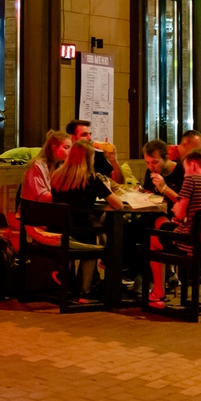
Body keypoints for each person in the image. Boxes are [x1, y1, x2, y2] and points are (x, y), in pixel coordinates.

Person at [146, 148, 201, 308]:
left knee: (152, 239)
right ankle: (171, 277)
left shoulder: (191, 180)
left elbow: (179, 214)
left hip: (191, 245)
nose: (185, 174)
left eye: (186, 169)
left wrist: (176, 209)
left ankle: (158, 292)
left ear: (192, 166)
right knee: (163, 224)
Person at [49, 140, 123, 299]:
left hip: (58, 230)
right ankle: (85, 290)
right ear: (90, 159)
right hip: (81, 232)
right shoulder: (90, 178)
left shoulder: (57, 176)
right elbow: (118, 205)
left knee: (95, 229)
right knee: (95, 240)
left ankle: (72, 281)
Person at [17, 130, 72, 206]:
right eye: (66, 147)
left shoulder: (60, 165)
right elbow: (41, 197)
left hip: (50, 208)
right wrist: (68, 196)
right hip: (33, 209)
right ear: (54, 148)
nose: (70, 151)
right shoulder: (36, 165)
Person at [66, 119, 122, 184]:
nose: (89, 138)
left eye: (90, 134)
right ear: (73, 138)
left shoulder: (97, 156)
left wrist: (113, 160)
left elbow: (119, 181)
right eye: (84, 135)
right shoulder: (66, 157)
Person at [142, 139, 184, 204]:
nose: (151, 167)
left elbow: (183, 203)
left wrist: (164, 188)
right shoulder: (149, 172)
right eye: (147, 162)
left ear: (166, 158)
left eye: (155, 162)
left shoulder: (182, 171)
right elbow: (147, 191)